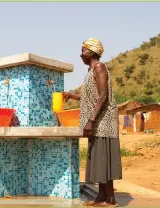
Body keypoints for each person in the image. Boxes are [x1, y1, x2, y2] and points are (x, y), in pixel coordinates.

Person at [63, 38, 122, 207]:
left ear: (92, 52)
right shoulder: (90, 71)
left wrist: (91, 121)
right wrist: (72, 96)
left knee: (104, 158)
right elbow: (91, 97)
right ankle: (102, 197)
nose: (80, 54)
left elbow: (103, 96)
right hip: (97, 123)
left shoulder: (99, 67)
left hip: (104, 122)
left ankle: (111, 199)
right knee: (99, 159)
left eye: (83, 51)